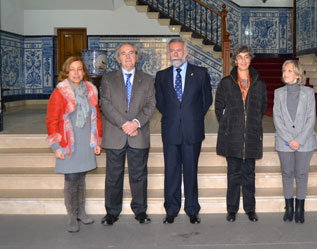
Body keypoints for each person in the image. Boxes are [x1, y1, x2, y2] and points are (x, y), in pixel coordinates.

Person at [155, 38, 212, 224]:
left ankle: (192, 209)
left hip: (192, 130)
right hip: (170, 130)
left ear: (186, 52)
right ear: (168, 53)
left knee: (190, 171)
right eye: (172, 51)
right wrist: (176, 116)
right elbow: (161, 103)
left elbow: (206, 101)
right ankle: (171, 210)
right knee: (171, 171)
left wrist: (191, 116)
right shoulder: (161, 76)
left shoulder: (201, 73)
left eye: (179, 50)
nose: (175, 54)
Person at [100, 43, 156, 225]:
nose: (127, 57)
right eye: (123, 54)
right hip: (115, 134)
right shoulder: (108, 79)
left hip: (138, 135)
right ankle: (111, 212)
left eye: (131, 53)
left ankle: (140, 211)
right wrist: (124, 124)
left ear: (137, 56)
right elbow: (105, 104)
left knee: (138, 176)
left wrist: (136, 123)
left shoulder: (147, 80)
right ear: (118, 58)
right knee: (113, 176)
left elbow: (150, 104)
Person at [46, 56, 102, 233]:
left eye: (79, 69)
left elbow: (96, 116)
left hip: (86, 142)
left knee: (81, 179)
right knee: (71, 180)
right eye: (72, 69)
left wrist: (97, 140)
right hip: (68, 143)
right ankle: (71, 217)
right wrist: (56, 147)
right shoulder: (60, 92)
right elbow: (52, 120)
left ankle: (82, 213)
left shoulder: (91, 90)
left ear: (84, 71)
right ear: (66, 72)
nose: (76, 73)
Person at [215, 44, 267, 223]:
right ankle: (232, 210)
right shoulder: (226, 83)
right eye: (240, 57)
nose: (243, 60)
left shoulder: (259, 83)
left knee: (249, 175)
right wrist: (230, 125)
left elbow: (262, 107)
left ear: (250, 59)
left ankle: (250, 209)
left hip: (251, 135)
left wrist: (250, 123)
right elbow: (218, 108)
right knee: (233, 174)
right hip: (233, 137)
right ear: (235, 61)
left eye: (246, 57)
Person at [273, 60, 317, 223]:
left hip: (305, 142)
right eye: (284, 70)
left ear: (297, 75)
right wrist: (289, 139)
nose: (285, 73)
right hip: (284, 141)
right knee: (287, 174)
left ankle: (300, 209)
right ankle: (289, 208)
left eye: (290, 70)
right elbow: (277, 118)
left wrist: (298, 140)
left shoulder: (308, 92)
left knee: (301, 174)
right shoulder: (278, 92)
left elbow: (311, 118)